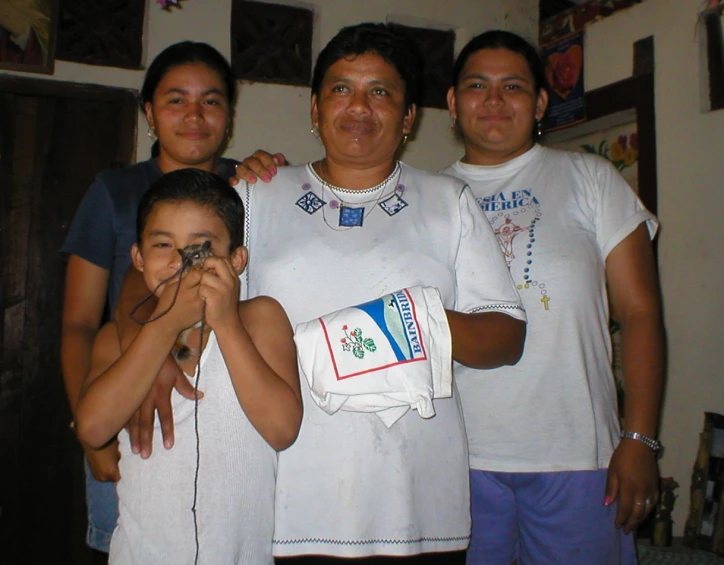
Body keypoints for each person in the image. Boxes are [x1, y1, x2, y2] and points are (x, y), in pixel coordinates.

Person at [236, 28, 665, 565]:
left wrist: (640, 438)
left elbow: (628, 315)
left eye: (512, 87)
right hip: (384, 471)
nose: (492, 100)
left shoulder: (541, 185)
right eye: (341, 90)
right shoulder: (268, 195)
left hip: (527, 462)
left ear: (410, 116)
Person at [124, 22, 527, 564]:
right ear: (314, 110)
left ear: (409, 117)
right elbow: (155, 270)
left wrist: (409, 322)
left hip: (415, 500)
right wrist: (156, 355)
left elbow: (506, 336)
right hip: (280, 498)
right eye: (341, 89)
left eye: (380, 92)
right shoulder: (257, 193)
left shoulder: (447, 201)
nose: (358, 107)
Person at [60, 40, 239, 555]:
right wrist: (86, 431)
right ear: (149, 112)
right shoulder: (116, 192)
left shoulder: (248, 189)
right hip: (124, 406)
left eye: (211, 100)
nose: (194, 115)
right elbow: (77, 323)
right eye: (175, 99)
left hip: (218, 415)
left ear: (228, 114)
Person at [75, 168, 302, 564]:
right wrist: (164, 324)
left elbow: (282, 430)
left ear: (237, 259)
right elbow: (94, 429)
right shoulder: (117, 339)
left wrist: (227, 323)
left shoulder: (260, 319)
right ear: (138, 258)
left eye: (201, 247)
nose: (181, 263)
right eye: (163, 245)